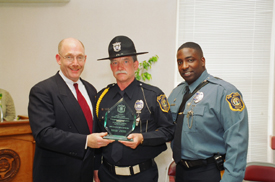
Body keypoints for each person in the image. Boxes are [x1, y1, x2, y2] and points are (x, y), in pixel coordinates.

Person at [28, 38, 113, 182]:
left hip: (85, 173)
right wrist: (85, 141)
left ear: (85, 59)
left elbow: (95, 130)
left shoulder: (91, 89)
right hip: (56, 175)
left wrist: (96, 167)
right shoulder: (42, 90)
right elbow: (44, 134)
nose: (75, 63)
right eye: (69, 57)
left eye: (80, 57)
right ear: (58, 59)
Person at [94, 35, 175, 182]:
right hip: (107, 175)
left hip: (142, 175)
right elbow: (95, 134)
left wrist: (142, 138)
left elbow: (169, 131)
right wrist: (95, 169)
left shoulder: (152, 95)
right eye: (115, 62)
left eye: (126, 61)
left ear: (136, 65)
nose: (120, 67)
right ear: (111, 67)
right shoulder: (101, 97)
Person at [168, 42, 249, 182]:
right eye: (180, 62)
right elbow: (167, 128)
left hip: (210, 172)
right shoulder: (176, 93)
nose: (184, 66)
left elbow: (237, 144)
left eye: (190, 60)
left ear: (202, 61)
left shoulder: (224, 92)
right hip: (181, 172)